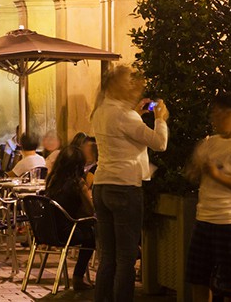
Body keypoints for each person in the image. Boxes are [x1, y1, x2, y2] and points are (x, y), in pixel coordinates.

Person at [90, 65, 169, 302]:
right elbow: (160, 143)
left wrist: (136, 113)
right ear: (120, 87)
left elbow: (122, 134)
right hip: (124, 187)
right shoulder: (125, 116)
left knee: (108, 256)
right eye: (130, 82)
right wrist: (160, 118)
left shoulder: (100, 111)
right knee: (126, 258)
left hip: (102, 185)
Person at [185, 93, 231, 302]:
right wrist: (196, 170)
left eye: (224, 114)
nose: (218, 119)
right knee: (198, 278)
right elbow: (192, 175)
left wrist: (218, 176)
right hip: (203, 218)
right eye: (215, 114)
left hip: (229, 222)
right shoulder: (208, 143)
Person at [44, 145, 97, 290]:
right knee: (92, 236)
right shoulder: (78, 183)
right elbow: (90, 210)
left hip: (48, 232)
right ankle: (78, 277)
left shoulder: (52, 181)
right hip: (67, 233)